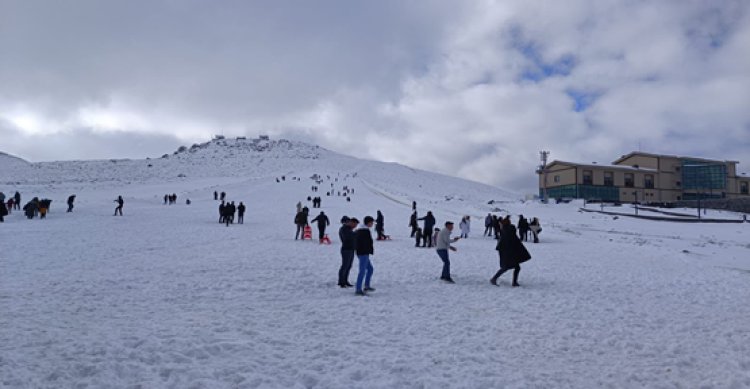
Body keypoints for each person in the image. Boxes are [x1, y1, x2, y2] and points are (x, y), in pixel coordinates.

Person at [491, 220, 531, 287]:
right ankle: (495, 279)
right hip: (509, 254)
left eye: (501, 224)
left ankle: (496, 279)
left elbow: (509, 244)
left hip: (508, 254)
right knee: (508, 267)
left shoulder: (506, 232)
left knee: (511, 267)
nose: (500, 226)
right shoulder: (508, 231)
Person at [354, 216, 376, 296]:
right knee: (362, 271)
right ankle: (358, 289)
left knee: (370, 269)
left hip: (364, 253)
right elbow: (363, 243)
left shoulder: (363, 230)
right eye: (372, 222)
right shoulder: (363, 231)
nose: (372, 224)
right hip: (363, 253)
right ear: (368, 222)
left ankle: (366, 285)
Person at [338, 216, 358, 288]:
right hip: (346, 249)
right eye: (354, 225)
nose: (355, 226)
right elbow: (347, 238)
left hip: (351, 249)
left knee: (349, 266)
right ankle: (341, 282)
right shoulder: (344, 229)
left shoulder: (349, 229)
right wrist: (355, 234)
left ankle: (345, 280)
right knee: (345, 266)